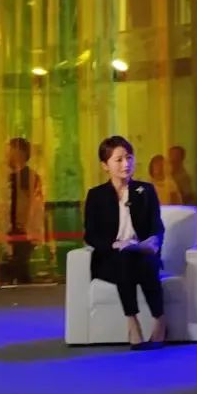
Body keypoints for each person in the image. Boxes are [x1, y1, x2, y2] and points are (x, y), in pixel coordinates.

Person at [83, 136, 166, 350]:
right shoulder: (96, 195)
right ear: (105, 165)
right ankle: (133, 321)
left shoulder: (145, 190)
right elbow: (90, 235)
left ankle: (158, 320)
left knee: (143, 261)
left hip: (142, 254)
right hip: (111, 260)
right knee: (125, 259)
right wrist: (113, 245)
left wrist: (154, 241)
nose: (126, 164)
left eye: (129, 157)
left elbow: (157, 226)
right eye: (118, 160)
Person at [0, 137, 45, 285]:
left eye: (9, 151)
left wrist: (27, 228)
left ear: (18, 153)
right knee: (18, 271)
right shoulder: (11, 177)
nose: (5, 156)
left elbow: (33, 206)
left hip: (23, 233)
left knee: (12, 269)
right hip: (13, 233)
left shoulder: (29, 178)